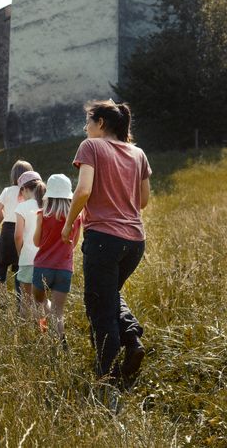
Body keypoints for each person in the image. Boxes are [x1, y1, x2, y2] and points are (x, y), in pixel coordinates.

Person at [64, 100, 151, 388]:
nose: (85, 127)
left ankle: (108, 377)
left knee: (99, 306)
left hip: (103, 239)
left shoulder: (91, 146)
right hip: (135, 242)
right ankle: (132, 340)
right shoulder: (138, 153)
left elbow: (83, 190)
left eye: (88, 121)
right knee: (109, 294)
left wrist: (68, 224)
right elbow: (143, 201)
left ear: (101, 123)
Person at [32, 174, 80, 341]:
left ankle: (44, 334)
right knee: (58, 311)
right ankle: (60, 342)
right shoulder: (76, 218)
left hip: (42, 267)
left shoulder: (42, 214)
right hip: (64, 269)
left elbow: (37, 242)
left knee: (40, 303)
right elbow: (74, 244)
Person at [12, 170, 43, 320]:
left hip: (27, 258)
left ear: (24, 189)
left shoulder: (22, 207)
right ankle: (42, 330)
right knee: (41, 301)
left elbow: (18, 236)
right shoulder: (46, 205)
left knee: (26, 300)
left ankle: (25, 330)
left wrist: (20, 253)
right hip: (45, 258)